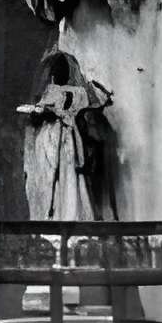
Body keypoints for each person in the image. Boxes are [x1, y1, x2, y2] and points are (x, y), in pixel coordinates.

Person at [19, 50, 114, 222]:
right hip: (71, 136)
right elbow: (101, 99)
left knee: (58, 175)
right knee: (71, 175)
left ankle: (60, 214)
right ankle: (68, 213)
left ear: (53, 75)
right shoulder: (79, 92)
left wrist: (40, 112)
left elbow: (40, 110)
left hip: (55, 136)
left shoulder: (52, 91)